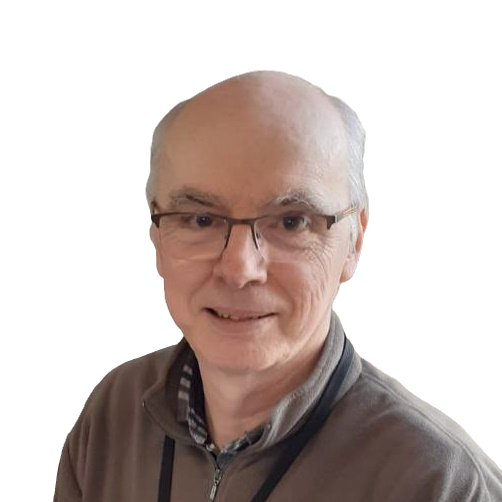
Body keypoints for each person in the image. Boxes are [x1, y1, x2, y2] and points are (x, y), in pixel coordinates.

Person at [53, 70, 501, 502]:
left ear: (354, 243)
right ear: (155, 233)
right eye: (201, 219)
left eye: (291, 222)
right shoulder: (113, 411)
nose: (239, 269)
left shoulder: (442, 483)